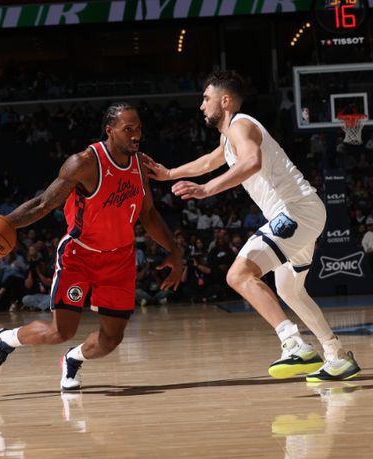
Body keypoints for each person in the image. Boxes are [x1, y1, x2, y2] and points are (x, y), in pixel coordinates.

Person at [142, 70, 360, 382]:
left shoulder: (241, 125)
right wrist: (169, 174)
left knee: (239, 275)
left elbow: (251, 162)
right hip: (302, 214)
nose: (201, 105)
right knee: (289, 290)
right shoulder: (229, 136)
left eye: (206, 98)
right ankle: (337, 355)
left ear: (225, 101)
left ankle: (293, 343)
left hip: (294, 212)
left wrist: (206, 189)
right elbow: (209, 162)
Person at [0, 102, 183, 390]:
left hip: (120, 259)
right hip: (80, 255)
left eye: (138, 129)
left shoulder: (140, 164)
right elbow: (43, 203)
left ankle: (72, 359)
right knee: (61, 331)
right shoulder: (84, 162)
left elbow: (148, 214)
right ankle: (3, 340)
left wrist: (175, 252)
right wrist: (4, 225)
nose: (136, 135)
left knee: (111, 340)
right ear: (110, 130)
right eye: (128, 129)